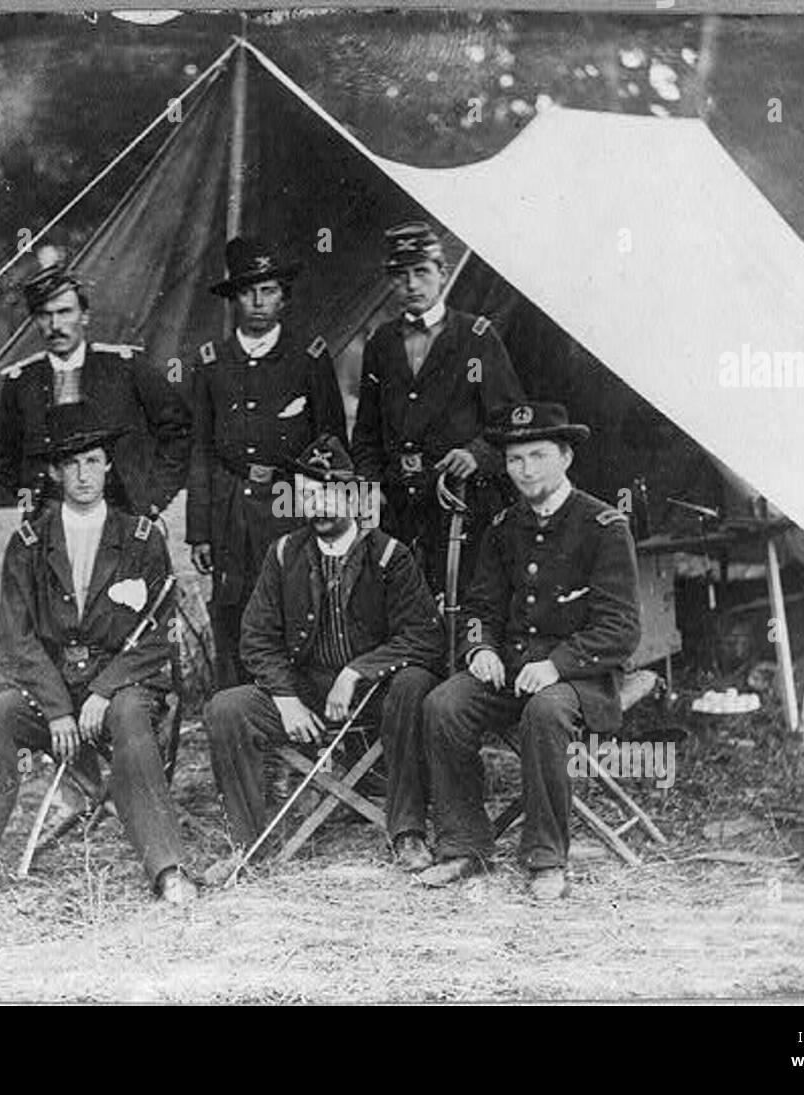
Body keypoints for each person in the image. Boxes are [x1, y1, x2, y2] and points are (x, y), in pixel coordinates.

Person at [0, 402, 197, 905]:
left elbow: (158, 634)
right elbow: (15, 641)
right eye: (71, 464)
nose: (84, 475)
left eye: (93, 461)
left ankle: (167, 869)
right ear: (53, 471)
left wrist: (103, 690)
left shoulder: (140, 538)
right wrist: (57, 708)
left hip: (122, 684)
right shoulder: (28, 543)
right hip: (54, 687)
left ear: (108, 465)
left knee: (132, 716)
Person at [418, 402, 641, 901]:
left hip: (581, 678)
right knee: (444, 704)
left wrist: (556, 665)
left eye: (538, 456)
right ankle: (462, 846)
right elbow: (481, 607)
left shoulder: (604, 526)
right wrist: (480, 649)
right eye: (516, 460)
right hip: (512, 671)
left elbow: (621, 629)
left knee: (544, 710)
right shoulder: (502, 527)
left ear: (565, 458)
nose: (526, 470)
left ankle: (545, 859)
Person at [203, 435, 445, 881]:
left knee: (414, 684)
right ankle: (249, 845)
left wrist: (357, 671)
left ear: (355, 496)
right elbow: (256, 637)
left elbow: (425, 638)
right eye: (308, 495)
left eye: (331, 493)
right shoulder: (283, 555)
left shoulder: (391, 556)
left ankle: (408, 831)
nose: (319, 506)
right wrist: (283, 696)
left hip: (377, 694)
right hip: (305, 697)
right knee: (226, 708)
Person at [186, 237, 346, 689]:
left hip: (289, 500)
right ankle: (237, 712)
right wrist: (199, 531)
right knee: (232, 605)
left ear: (284, 296)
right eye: (248, 291)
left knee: (293, 600)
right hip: (231, 503)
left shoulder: (309, 358)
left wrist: (335, 518)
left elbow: (333, 447)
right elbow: (199, 450)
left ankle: (298, 709)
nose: (258, 302)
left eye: (269, 290)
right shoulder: (212, 362)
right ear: (234, 298)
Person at [350, 221, 524, 599]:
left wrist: (476, 454)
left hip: (463, 505)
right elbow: (365, 432)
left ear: (442, 274)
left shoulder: (476, 337)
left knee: (464, 608)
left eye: (421, 272)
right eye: (400, 275)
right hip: (399, 508)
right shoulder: (380, 343)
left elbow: (511, 421)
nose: (412, 284)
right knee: (403, 608)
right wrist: (371, 484)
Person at [0, 246, 192, 517]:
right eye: (44, 315)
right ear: (35, 322)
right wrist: (36, 495)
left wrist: (152, 498)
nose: (55, 325)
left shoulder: (124, 367)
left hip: (120, 512)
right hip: (51, 516)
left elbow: (178, 429)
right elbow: (3, 458)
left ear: (84, 316)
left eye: (64, 312)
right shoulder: (22, 381)